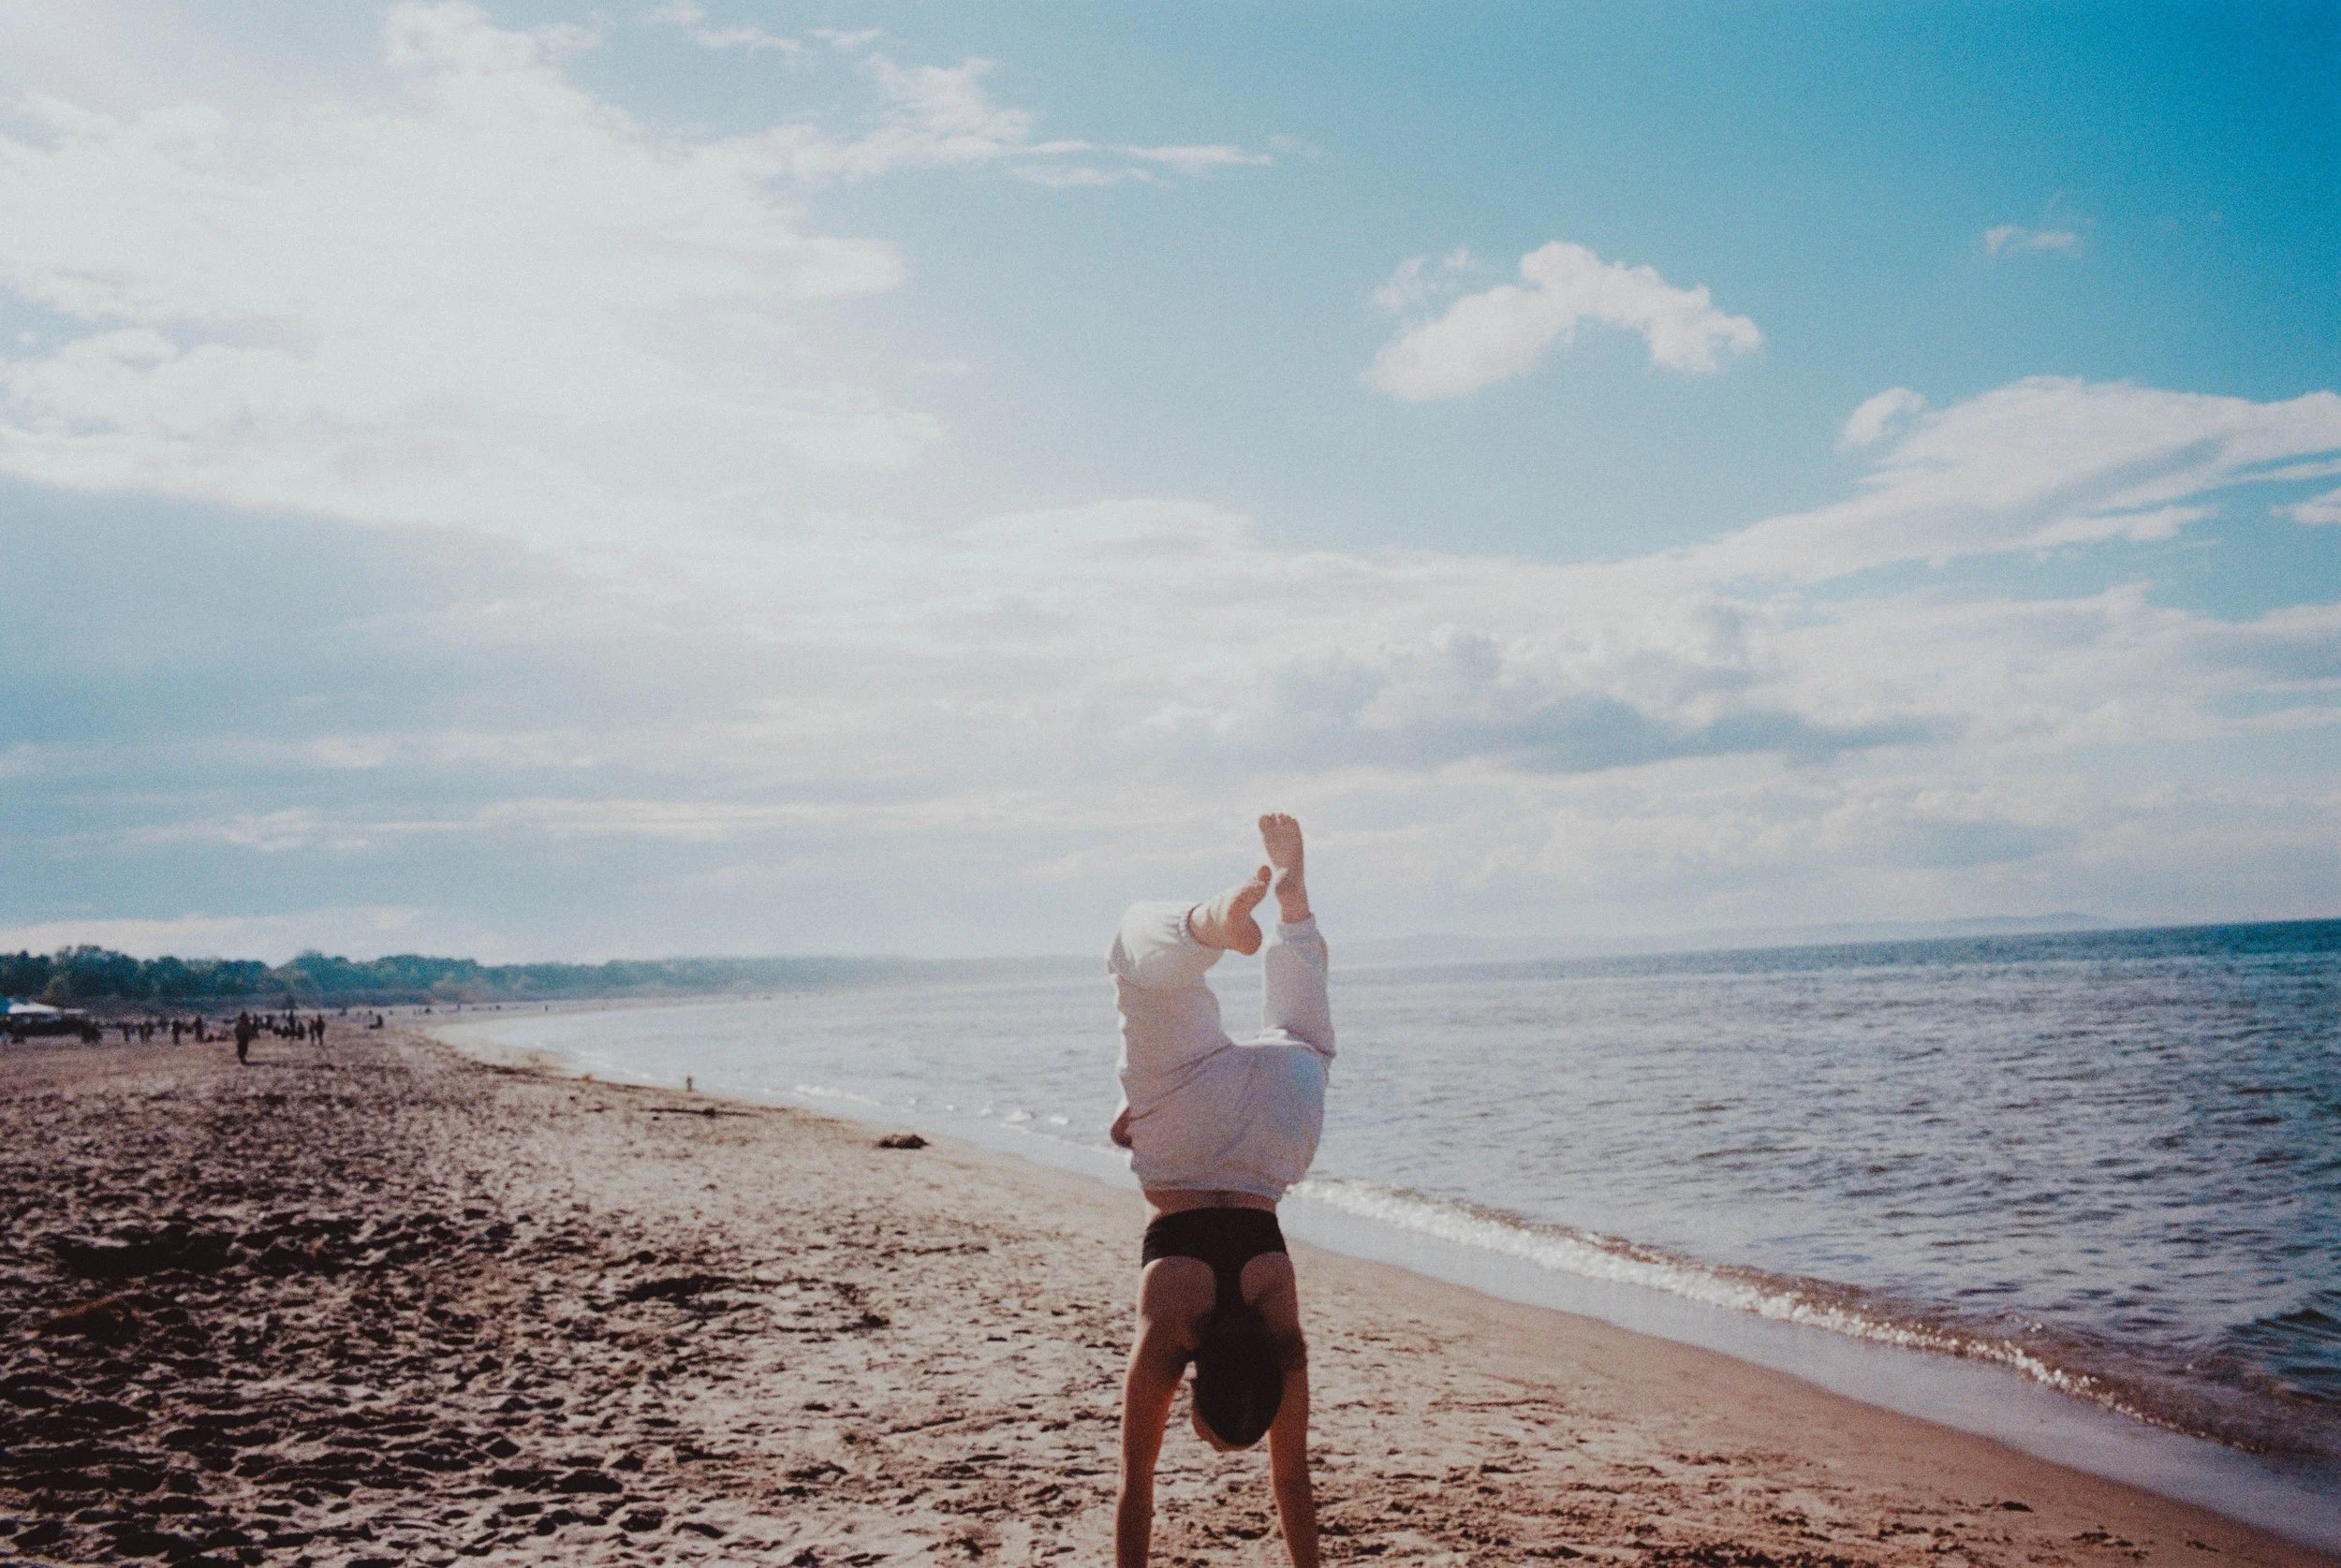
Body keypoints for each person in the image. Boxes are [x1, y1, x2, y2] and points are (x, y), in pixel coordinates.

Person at [1108, 813, 1330, 1568]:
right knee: (1136, 959)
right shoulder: (1168, 1333)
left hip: (1276, 1125)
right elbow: (1134, 1489)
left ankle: (1289, 906)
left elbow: (1295, 1484)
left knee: (1303, 1036)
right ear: (1193, 1400)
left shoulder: (1285, 1344)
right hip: (1183, 1143)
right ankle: (1207, 923)